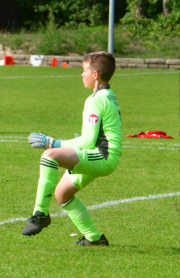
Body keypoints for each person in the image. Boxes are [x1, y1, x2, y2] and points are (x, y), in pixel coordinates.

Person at [23, 52, 122, 246]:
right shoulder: (107, 95)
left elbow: (87, 141)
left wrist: (54, 143)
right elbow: (94, 137)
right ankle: (94, 239)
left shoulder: (95, 100)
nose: (81, 74)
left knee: (49, 155)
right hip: (103, 154)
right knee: (62, 194)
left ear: (95, 75)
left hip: (103, 157)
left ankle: (40, 213)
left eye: (84, 70)